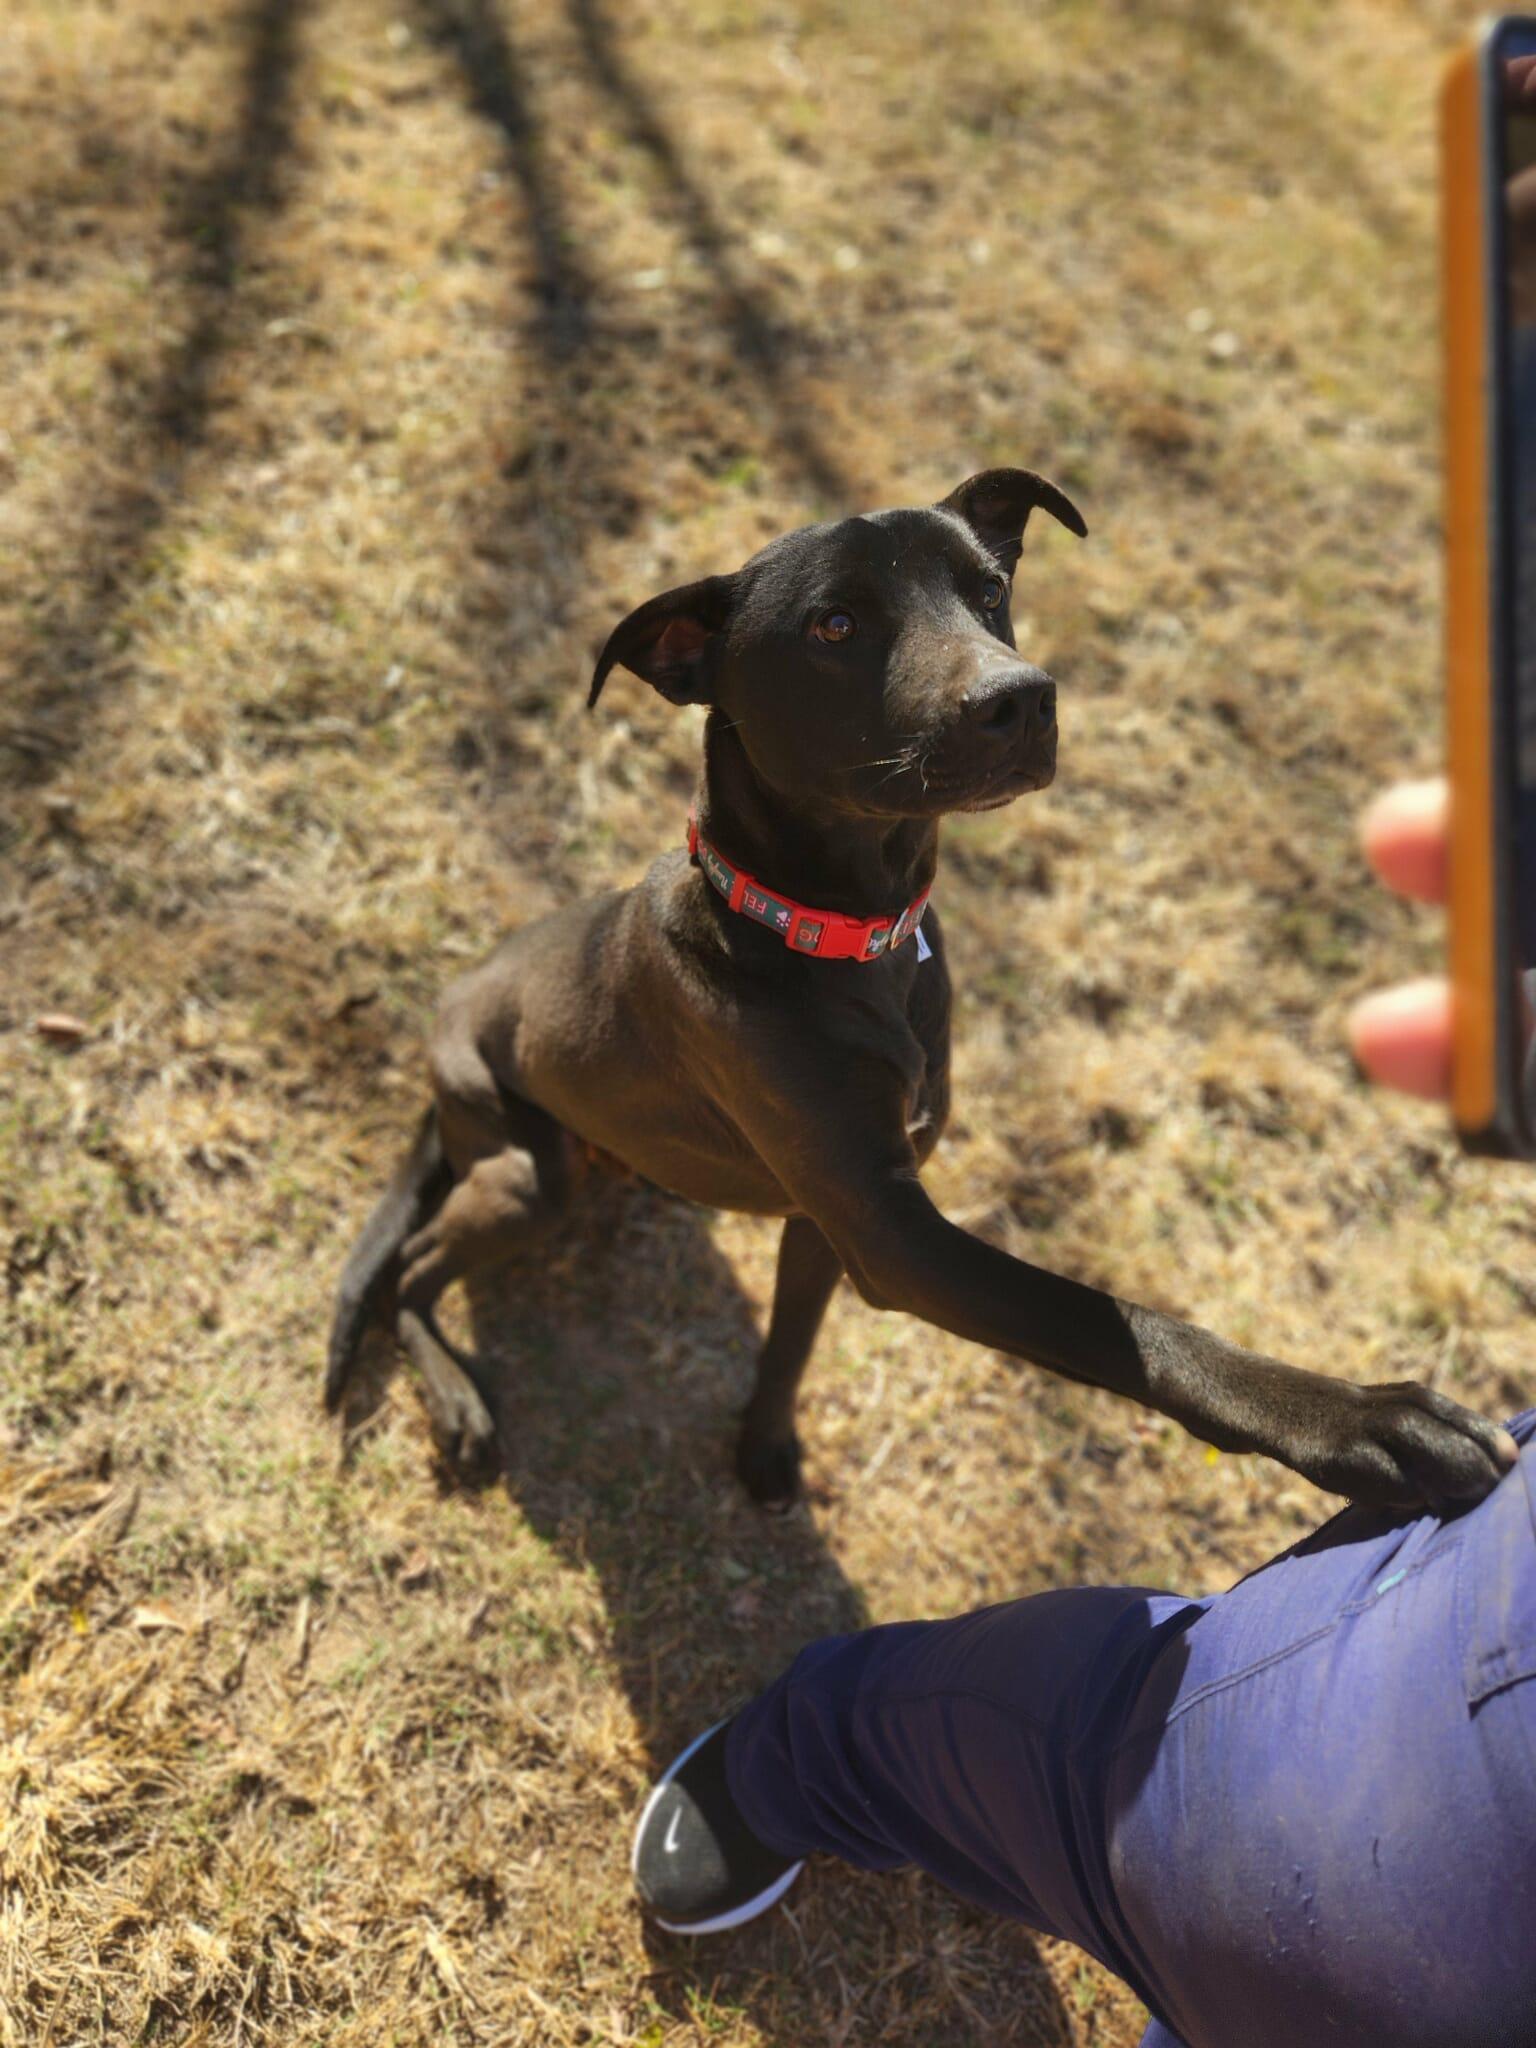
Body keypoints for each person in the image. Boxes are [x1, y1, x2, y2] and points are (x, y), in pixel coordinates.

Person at [632, 779, 1535, 2048]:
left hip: (1339, 1871)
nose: (1010, 680)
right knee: (987, 1725)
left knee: (1018, 1731)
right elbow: (882, 1250)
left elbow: (880, 1253)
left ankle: (815, 1753)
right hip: (1417, 1693)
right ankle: (806, 1757)